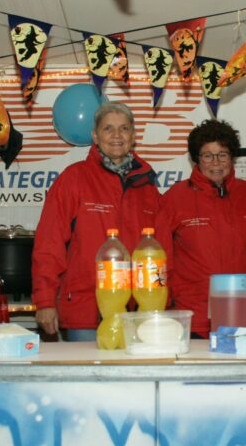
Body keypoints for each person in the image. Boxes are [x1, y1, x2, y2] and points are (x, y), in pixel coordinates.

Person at [31, 101, 160, 341]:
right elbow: (49, 244)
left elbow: (160, 251)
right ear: (95, 135)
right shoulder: (74, 179)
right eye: (108, 128)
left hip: (135, 313)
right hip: (86, 312)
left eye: (123, 128)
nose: (116, 135)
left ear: (133, 136)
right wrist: (45, 300)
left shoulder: (147, 186)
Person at [158, 120, 246, 337]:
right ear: (196, 159)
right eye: (207, 155)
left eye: (222, 154)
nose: (216, 162)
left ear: (232, 157)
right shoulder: (174, 199)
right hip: (195, 320)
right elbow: (160, 259)